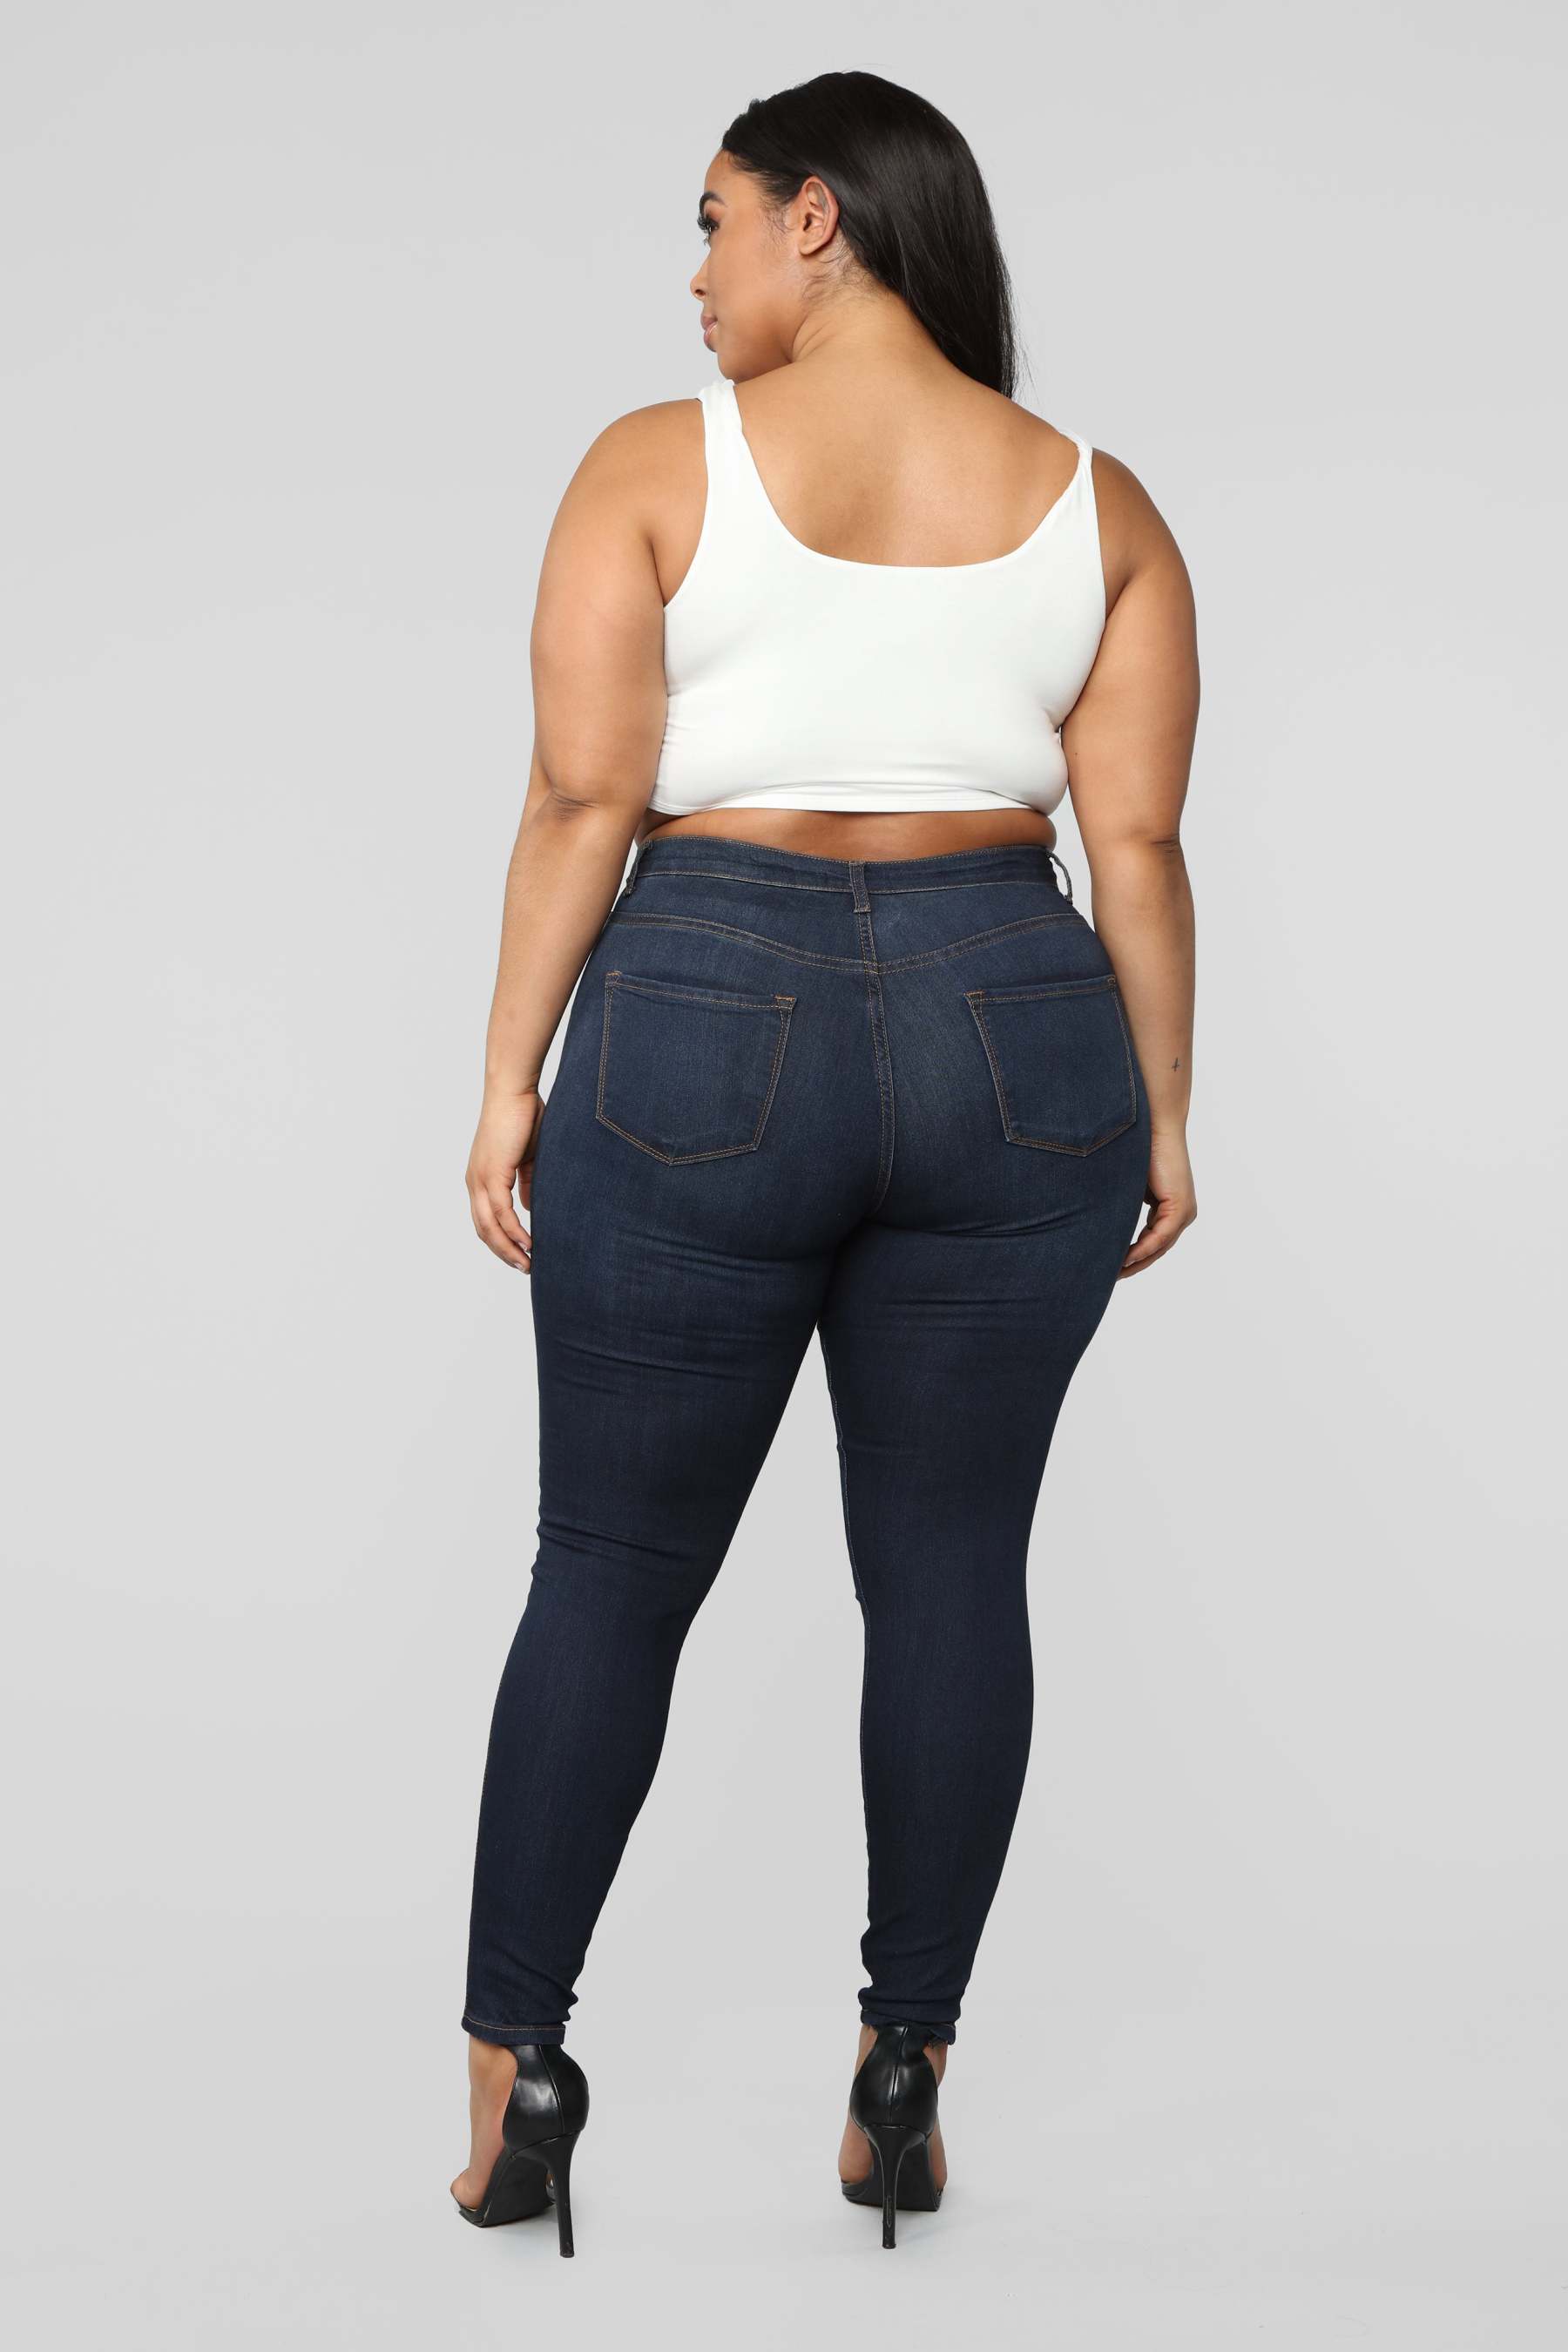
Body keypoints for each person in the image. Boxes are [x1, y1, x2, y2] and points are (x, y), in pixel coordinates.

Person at [452, 69, 1199, 2254]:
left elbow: (583, 798)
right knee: (955, 1571)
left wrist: (507, 1078)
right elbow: (1138, 844)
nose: (692, 275)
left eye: (712, 220)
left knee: (610, 1565)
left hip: (704, 1008)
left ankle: (515, 2085)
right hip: (1020, 1022)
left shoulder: (653, 468)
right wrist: (1165, 1110)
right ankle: (904, 2073)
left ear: (820, 219)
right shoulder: (1099, 504)